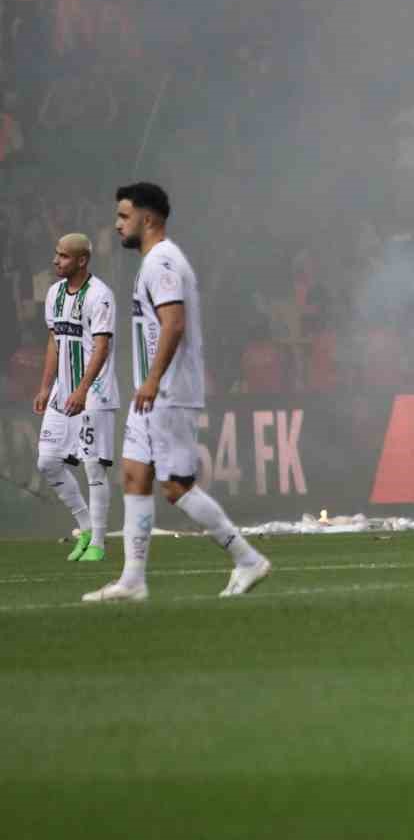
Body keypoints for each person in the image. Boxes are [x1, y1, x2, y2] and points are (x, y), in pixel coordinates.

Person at [84, 182, 271, 603]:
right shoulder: (153, 261)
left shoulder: (162, 262)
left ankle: (246, 558)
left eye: (123, 216)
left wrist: (152, 380)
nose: (117, 225)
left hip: (167, 392)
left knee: (176, 487)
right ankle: (133, 580)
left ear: (147, 219)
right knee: (134, 475)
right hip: (150, 392)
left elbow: (174, 323)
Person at [32, 233, 116, 561]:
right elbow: (54, 342)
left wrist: (82, 389)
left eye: (64, 256)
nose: (56, 261)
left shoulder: (100, 296)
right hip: (61, 392)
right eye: (56, 254)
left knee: (93, 468)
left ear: (82, 260)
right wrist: (45, 386)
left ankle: (98, 543)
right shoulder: (54, 293)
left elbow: (102, 347)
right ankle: (84, 527)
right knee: (48, 462)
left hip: (94, 392)